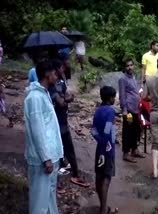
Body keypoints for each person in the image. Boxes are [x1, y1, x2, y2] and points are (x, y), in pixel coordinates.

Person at [24, 60, 63, 214]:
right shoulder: (34, 98)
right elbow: (37, 129)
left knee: (49, 197)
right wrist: (45, 158)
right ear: (47, 75)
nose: (56, 76)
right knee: (39, 201)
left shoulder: (44, 94)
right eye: (54, 73)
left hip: (51, 156)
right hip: (42, 159)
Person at [49, 59, 89, 187]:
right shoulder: (51, 85)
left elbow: (66, 96)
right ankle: (67, 175)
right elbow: (61, 101)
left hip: (63, 119)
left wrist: (66, 100)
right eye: (61, 67)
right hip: (56, 121)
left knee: (67, 147)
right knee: (62, 147)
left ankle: (72, 172)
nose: (64, 69)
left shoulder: (61, 82)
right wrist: (66, 100)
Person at [91, 86, 118, 214]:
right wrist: (109, 142)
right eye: (114, 97)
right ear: (110, 98)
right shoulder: (110, 111)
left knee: (99, 175)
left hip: (99, 147)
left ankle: (102, 204)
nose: (115, 99)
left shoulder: (98, 110)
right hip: (108, 149)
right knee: (107, 177)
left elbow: (93, 130)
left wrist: (101, 141)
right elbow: (108, 128)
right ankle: (103, 209)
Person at [119, 59, 145, 163]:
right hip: (128, 110)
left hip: (136, 110)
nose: (130, 67)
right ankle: (126, 153)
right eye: (127, 66)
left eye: (131, 65)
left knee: (136, 130)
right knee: (128, 130)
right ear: (125, 67)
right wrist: (124, 109)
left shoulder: (134, 77)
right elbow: (122, 95)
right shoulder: (123, 79)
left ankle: (134, 149)